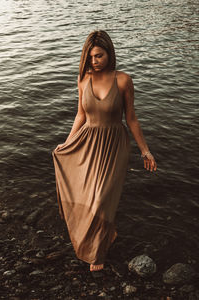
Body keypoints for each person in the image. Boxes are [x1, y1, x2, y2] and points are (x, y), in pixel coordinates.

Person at [52, 30, 157, 272]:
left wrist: (145, 151)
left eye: (98, 56)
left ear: (109, 53)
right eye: (90, 57)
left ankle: (96, 254)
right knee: (90, 196)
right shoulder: (83, 79)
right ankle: (107, 232)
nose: (94, 61)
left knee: (101, 198)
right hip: (88, 141)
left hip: (114, 144)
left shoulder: (123, 80)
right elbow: (80, 115)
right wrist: (67, 143)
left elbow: (131, 119)